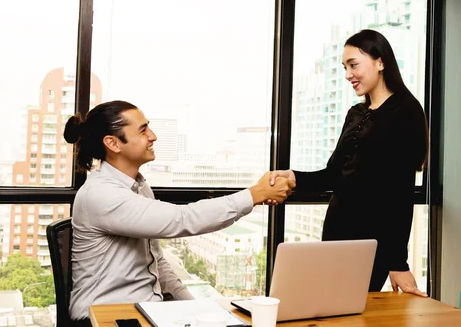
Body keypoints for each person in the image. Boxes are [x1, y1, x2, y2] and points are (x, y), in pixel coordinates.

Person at [63, 100, 295, 323]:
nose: (153, 136)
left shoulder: (140, 187)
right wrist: (256, 194)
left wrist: (193, 306)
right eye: (143, 130)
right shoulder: (101, 193)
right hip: (102, 317)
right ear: (113, 143)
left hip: (143, 310)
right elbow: (180, 220)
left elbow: (156, 262)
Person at [270, 29, 428, 297]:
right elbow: (335, 175)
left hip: (370, 242)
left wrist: (397, 262)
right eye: (345, 67)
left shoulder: (406, 111)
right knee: (330, 307)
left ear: (381, 62)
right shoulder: (356, 113)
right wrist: (293, 176)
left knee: (352, 312)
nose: (347, 75)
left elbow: (400, 193)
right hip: (336, 230)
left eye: (353, 65)